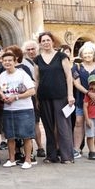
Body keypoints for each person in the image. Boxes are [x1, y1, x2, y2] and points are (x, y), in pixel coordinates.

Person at [34, 32, 75, 164]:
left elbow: (69, 77)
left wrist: (70, 95)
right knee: (48, 127)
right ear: (40, 43)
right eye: (43, 41)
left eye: (48, 40)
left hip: (61, 95)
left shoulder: (61, 56)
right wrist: (36, 98)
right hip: (44, 96)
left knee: (63, 126)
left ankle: (67, 156)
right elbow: (36, 79)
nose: (46, 42)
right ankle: (51, 155)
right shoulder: (37, 59)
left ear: (53, 41)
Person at [0, 49, 37, 169]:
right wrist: (3, 97)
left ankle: (28, 159)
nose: (7, 63)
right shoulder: (2, 75)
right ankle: (11, 159)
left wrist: (16, 97)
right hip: (8, 109)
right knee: (10, 136)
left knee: (26, 135)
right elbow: (0, 90)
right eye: (5, 60)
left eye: (9, 60)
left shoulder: (22, 74)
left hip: (24, 109)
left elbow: (32, 90)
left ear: (14, 61)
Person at [71, 42, 95, 159]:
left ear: (94, 54)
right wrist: (88, 93)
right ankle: (76, 149)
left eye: (90, 53)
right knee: (79, 122)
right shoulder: (76, 67)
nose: (88, 55)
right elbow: (76, 83)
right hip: (81, 98)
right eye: (85, 53)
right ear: (81, 54)